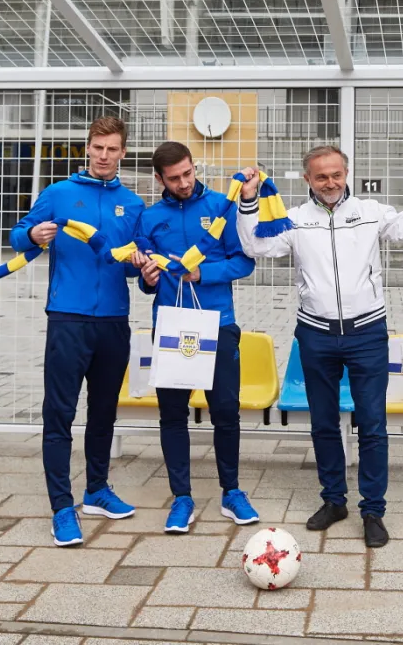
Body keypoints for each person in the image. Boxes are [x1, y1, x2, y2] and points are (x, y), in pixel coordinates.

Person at [235, 146, 403, 548]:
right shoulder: (295, 219)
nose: (330, 183)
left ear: (346, 173)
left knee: (373, 424)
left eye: (336, 174)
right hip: (316, 334)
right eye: (321, 176)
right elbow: (256, 247)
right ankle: (334, 500)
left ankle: (373, 510)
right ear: (307, 179)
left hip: (367, 333)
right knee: (323, 423)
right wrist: (248, 201)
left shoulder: (371, 211)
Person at [9, 115, 146, 546]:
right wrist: (33, 233)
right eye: (98, 148)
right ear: (87, 148)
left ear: (123, 152)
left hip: (114, 322)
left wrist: (142, 267)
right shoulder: (58, 194)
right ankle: (61, 507)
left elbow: (134, 268)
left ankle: (97, 490)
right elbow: (17, 236)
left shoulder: (133, 203)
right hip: (67, 318)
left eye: (112, 149)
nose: (104, 156)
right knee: (60, 413)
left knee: (104, 411)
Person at [135, 142, 257, 534]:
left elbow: (244, 261)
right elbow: (145, 280)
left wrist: (205, 274)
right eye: (174, 178)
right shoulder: (150, 218)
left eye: (188, 173)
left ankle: (231, 491)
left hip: (218, 323)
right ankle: (182, 497)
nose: (184, 183)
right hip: (172, 325)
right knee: (173, 414)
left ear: (194, 167)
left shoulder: (222, 206)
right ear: (160, 179)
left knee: (226, 411)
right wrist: (147, 279)